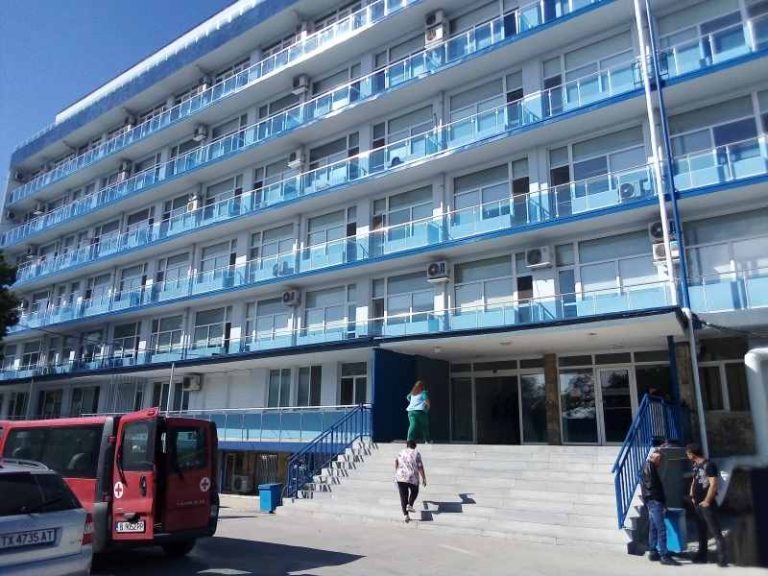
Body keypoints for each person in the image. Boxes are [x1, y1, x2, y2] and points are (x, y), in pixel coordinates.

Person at [686, 443, 727, 566]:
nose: (687, 456)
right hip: (697, 503)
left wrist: (707, 501)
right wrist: (692, 494)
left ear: (692, 454)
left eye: (688, 453)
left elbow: (713, 484)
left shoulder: (709, 465)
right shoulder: (696, 465)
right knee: (701, 531)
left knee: (715, 531)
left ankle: (722, 558)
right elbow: (694, 480)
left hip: (707, 504)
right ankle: (702, 555)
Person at [641, 450, 679, 565]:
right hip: (655, 501)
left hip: (651, 501)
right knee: (661, 529)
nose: (661, 463)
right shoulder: (650, 467)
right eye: (660, 460)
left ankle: (653, 551)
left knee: (653, 527)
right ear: (656, 458)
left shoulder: (648, 466)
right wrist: (661, 502)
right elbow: (654, 487)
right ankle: (664, 555)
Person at [394, 440, 427, 523]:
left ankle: (406, 516)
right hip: (412, 477)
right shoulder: (416, 453)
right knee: (415, 491)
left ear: (407, 445)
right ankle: (410, 504)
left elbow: (396, 461)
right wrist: (424, 478)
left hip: (400, 477)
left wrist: (397, 471)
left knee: (403, 497)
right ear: (414, 446)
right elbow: (420, 466)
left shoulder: (401, 452)